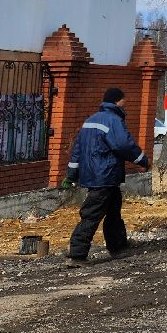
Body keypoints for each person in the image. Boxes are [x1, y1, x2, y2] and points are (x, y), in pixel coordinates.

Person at [63, 87, 150, 266]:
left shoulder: (90, 121)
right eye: (124, 100)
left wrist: (71, 174)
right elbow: (124, 145)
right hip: (105, 175)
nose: (126, 104)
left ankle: (118, 247)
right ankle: (77, 255)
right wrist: (143, 160)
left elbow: (77, 151)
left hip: (96, 176)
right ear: (117, 101)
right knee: (91, 214)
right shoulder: (113, 120)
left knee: (113, 211)